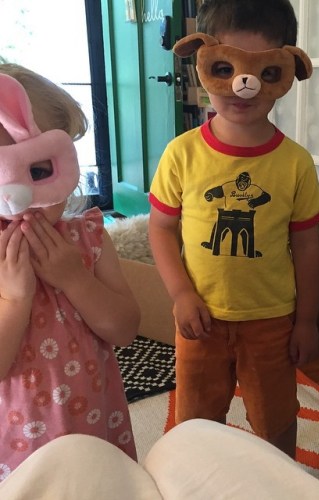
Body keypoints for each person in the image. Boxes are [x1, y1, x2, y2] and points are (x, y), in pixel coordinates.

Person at [148, 0, 319, 458]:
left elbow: (307, 246)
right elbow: (161, 230)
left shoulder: (296, 163)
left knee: (276, 419)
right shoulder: (181, 153)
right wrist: (181, 294)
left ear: (286, 69)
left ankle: (279, 482)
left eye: (265, 73)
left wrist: (307, 319)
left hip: (272, 320)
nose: (243, 86)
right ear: (201, 62)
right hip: (201, 317)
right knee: (196, 421)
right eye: (224, 68)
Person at [0, 63, 140, 482]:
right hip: (20, 447)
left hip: (94, 426)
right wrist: (15, 299)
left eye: (39, 171)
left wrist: (75, 279)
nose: (19, 198)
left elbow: (125, 329)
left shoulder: (89, 237)